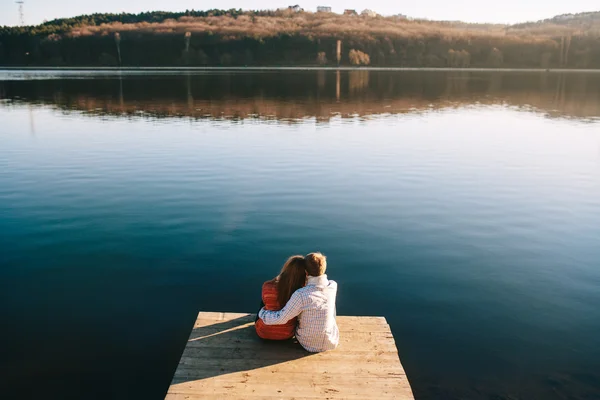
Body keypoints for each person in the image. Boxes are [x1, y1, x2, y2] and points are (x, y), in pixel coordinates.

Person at [258, 252, 339, 352]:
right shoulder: (333, 286)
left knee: (296, 309)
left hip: (307, 343)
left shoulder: (301, 294)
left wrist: (262, 313)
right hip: (331, 341)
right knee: (329, 302)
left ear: (306, 273)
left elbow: (281, 319)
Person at [255, 255, 307, 340]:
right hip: (287, 335)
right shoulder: (301, 292)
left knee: (264, 302)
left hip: (263, 332)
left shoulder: (268, 286)